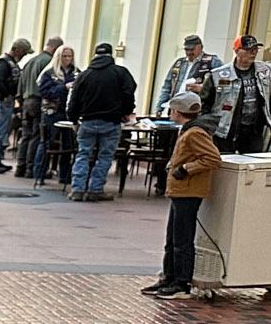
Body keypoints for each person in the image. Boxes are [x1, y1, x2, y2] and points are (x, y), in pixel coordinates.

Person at [147, 91, 221, 298]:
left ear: (177, 112)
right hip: (180, 190)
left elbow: (212, 158)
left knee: (182, 238)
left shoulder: (195, 133)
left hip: (188, 190)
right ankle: (169, 276)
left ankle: (181, 282)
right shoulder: (188, 130)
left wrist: (185, 169)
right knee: (173, 237)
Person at [66, 41, 136, 200]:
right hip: (111, 121)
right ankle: (95, 190)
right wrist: (126, 112)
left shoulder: (84, 75)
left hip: (87, 121)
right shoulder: (120, 73)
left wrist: (73, 119)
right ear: (111, 55)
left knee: (83, 154)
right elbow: (128, 93)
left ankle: (77, 189)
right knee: (105, 157)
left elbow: (74, 100)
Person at [209, 35, 271, 154]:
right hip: (225, 130)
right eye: (248, 50)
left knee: (253, 161)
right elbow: (206, 103)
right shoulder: (219, 74)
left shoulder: (265, 71)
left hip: (254, 130)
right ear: (237, 51)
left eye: (255, 50)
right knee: (225, 160)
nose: (253, 53)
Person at [12, 35, 59, 178]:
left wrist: (20, 100)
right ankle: (31, 168)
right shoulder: (49, 62)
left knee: (26, 135)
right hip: (38, 101)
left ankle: (20, 167)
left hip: (26, 100)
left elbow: (21, 83)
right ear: (56, 49)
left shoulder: (31, 61)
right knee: (37, 135)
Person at [34, 44, 80, 187]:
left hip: (69, 112)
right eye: (64, 56)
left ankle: (65, 176)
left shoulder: (76, 73)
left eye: (69, 56)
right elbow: (45, 92)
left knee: (68, 144)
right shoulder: (49, 73)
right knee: (46, 143)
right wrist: (63, 87)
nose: (67, 59)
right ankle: (39, 174)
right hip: (51, 112)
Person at [0, 39, 29, 171]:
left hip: (4, 100)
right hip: (2, 101)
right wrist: (7, 94)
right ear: (17, 50)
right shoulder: (4, 62)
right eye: (24, 52)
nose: (24, 55)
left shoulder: (8, 62)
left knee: (1, 131)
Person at [156, 33, 222, 117]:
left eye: (192, 49)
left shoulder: (212, 62)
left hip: (197, 111)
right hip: (176, 110)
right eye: (186, 49)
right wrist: (159, 108)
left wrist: (204, 88)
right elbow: (167, 87)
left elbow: (222, 86)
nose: (189, 52)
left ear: (201, 47)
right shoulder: (179, 63)